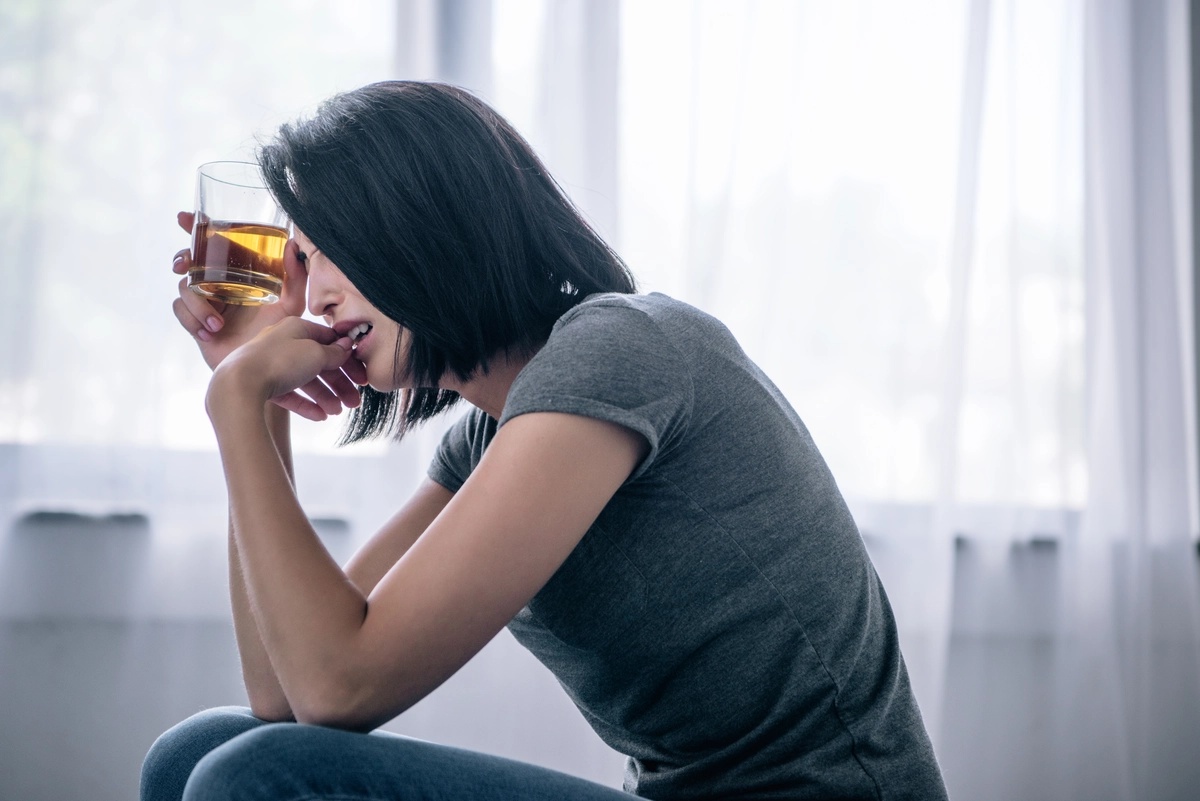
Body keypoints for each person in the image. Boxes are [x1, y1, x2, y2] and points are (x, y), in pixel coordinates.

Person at [141, 81, 948, 801]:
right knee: (202, 751)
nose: (311, 297)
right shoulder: (491, 435)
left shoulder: (618, 351)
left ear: (417, 227)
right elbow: (284, 691)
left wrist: (236, 402)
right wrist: (260, 392)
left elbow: (337, 687)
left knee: (251, 777)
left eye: (325, 254)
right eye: (302, 264)